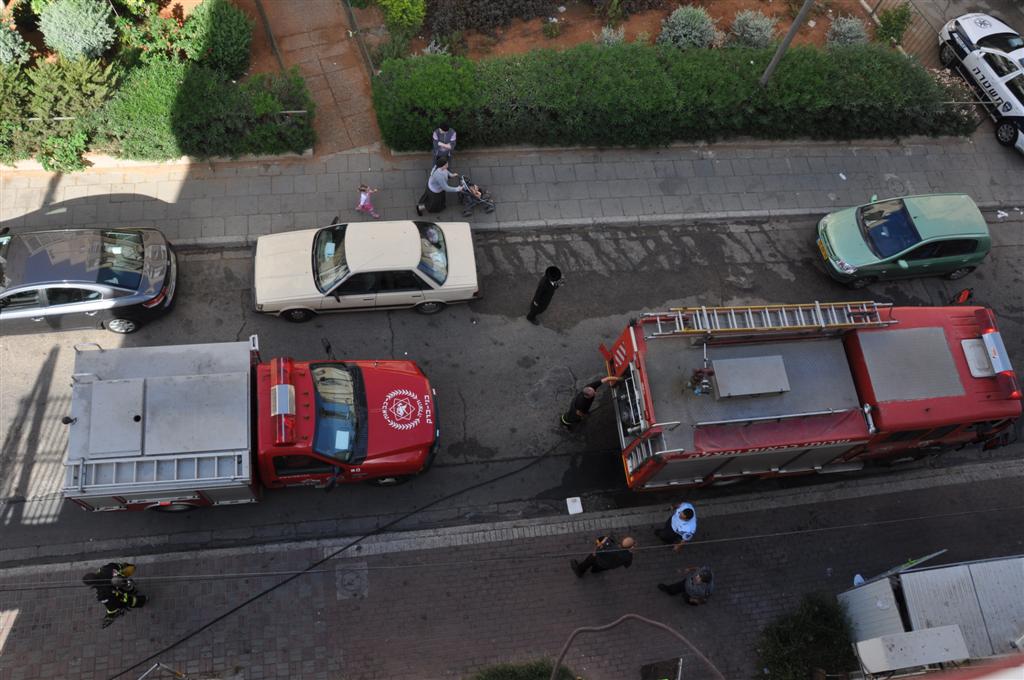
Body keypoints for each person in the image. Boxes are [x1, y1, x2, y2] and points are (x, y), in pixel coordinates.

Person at [82, 562, 147, 628]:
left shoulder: (102, 595)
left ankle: (144, 600)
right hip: (126, 584)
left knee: (131, 602)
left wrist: (110, 616)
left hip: (123, 595)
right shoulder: (105, 569)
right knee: (130, 588)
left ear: (92, 584)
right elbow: (119, 565)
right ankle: (134, 590)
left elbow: (112, 608)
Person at [571, 535, 635, 577]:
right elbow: (627, 565)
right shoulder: (628, 556)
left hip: (599, 558)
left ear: (621, 542)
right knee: (599, 567)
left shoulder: (610, 545)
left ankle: (580, 570)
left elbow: (596, 551)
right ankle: (594, 570)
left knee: (590, 559)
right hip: (607, 566)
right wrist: (630, 552)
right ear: (630, 547)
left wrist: (605, 540)